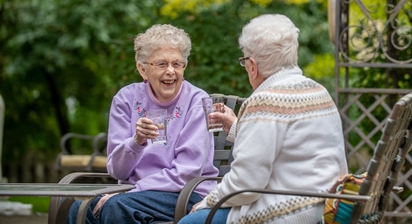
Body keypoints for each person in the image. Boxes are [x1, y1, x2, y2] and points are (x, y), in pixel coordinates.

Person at [178, 14, 348, 224]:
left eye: (244, 61)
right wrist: (236, 128)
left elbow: (244, 185)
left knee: (189, 221)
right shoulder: (318, 91)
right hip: (326, 205)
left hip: (290, 211)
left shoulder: (265, 101)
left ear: (252, 65)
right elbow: (286, 147)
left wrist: (206, 202)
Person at [68, 24, 219, 224]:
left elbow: (186, 173)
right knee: (78, 208)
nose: (171, 71)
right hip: (133, 195)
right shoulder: (126, 99)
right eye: (162, 64)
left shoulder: (197, 101)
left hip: (186, 193)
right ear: (142, 69)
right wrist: (136, 142)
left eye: (177, 64)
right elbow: (117, 171)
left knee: (117, 206)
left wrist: (132, 192)